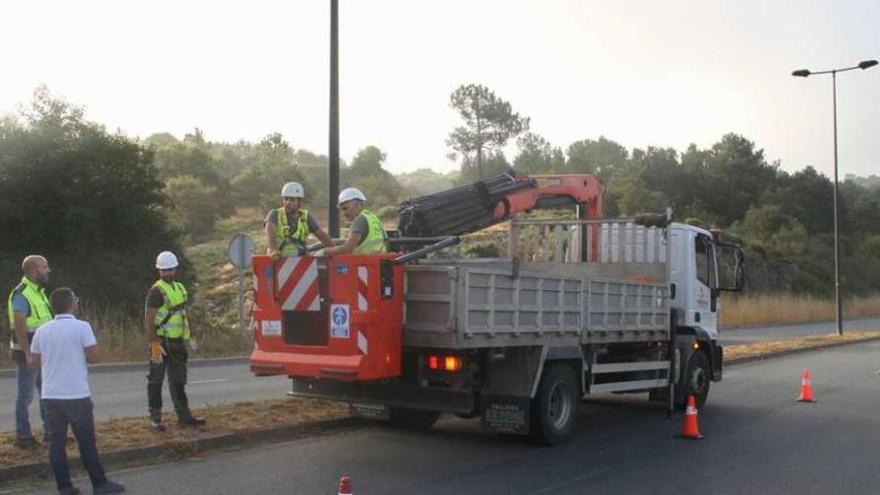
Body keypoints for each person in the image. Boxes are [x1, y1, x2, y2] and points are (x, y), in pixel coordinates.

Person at [30, 287, 125, 494]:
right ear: (72, 304)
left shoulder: (42, 330)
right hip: (76, 393)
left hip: (51, 394)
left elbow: (35, 360)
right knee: (86, 441)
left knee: (56, 442)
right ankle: (99, 483)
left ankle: (64, 486)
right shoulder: (82, 327)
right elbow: (94, 356)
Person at [144, 251, 205, 432]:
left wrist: (189, 338)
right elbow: (148, 320)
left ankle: (184, 417)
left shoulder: (180, 289)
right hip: (160, 343)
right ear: (159, 271)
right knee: (155, 380)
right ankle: (155, 419)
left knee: (178, 381)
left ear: (175, 269)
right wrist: (154, 344)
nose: (167, 273)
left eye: (169, 270)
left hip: (177, 342)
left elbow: (183, 317)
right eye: (164, 270)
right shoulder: (156, 291)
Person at [7, 254, 51, 449]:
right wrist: (27, 352)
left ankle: (51, 432)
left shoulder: (38, 292)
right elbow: (19, 325)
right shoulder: (22, 293)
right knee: (25, 396)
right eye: (45, 267)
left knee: (47, 392)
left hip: (41, 352)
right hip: (29, 354)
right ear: (34, 271)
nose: (48, 271)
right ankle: (23, 436)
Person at [265, 181, 334, 259]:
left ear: (299, 201)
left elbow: (322, 236)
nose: (288, 203)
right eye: (285, 199)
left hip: (301, 259)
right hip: (278, 259)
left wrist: (333, 249)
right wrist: (273, 250)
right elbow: (270, 233)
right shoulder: (275, 214)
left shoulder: (306, 217)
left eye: (292, 200)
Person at [322, 187, 389, 255]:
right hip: (378, 260)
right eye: (342, 210)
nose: (343, 213)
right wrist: (338, 241)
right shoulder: (372, 218)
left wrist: (325, 251)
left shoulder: (359, 220)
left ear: (357, 205)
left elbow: (347, 249)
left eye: (345, 208)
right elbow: (362, 240)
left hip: (363, 262)